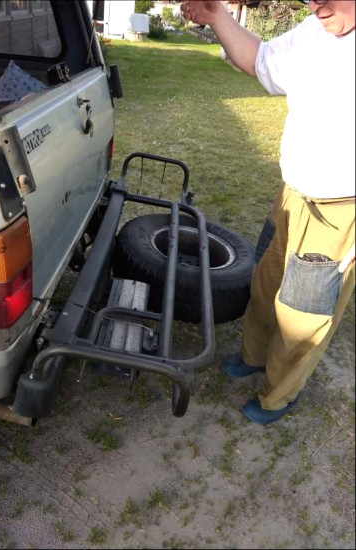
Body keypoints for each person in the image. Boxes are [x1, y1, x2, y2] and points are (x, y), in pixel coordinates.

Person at [181, 0, 355, 424]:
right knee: (265, 282)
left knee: (304, 314)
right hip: (292, 192)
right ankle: (255, 356)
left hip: (340, 208)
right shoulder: (313, 32)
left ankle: (279, 394)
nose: (314, 5)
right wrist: (218, 17)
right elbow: (261, 60)